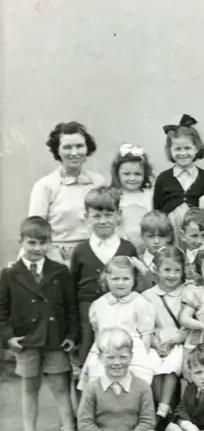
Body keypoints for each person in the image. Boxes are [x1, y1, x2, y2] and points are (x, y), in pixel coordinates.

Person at [1, 216, 78, 431]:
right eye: (31, 243)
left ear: (50, 243)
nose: (37, 249)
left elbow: (71, 307)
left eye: (43, 243)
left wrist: (71, 335)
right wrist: (8, 337)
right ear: (20, 241)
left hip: (54, 338)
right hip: (26, 340)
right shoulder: (9, 274)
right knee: (29, 387)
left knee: (59, 386)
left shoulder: (60, 271)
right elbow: (2, 310)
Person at [70, 327, 162, 431]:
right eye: (111, 357)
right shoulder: (92, 388)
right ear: (99, 358)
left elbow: (147, 421)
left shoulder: (142, 386)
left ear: (131, 356)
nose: (117, 363)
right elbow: (85, 423)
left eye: (123, 357)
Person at [70, 187, 139, 369]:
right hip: (87, 313)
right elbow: (73, 286)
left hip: (121, 310)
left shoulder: (127, 249)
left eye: (109, 215)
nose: (103, 221)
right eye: (97, 216)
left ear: (119, 215)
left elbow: (136, 282)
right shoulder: (80, 251)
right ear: (87, 216)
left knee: (119, 352)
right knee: (88, 356)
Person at [28, 121, 106, 265]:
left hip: (95, 254)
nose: (74, 153)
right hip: (58, 258)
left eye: (79, 146)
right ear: (57, 150)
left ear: (87, 147)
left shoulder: (98, 182)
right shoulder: (45, 186)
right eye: (67, 147)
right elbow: (34, 229)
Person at [77, 256, 158, 389]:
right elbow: (98, 334)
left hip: (132, 351)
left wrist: (144, 357)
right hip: (105, 350)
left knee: (132, 386)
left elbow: (146, 334)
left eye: (125, 278)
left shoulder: (140, 302)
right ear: (106, 279)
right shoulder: (99, 304)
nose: (120, 283)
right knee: (100, 384)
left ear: (133, 280)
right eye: (115, 279)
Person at [152, 115, 204, 245]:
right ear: (170, 151)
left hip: (198, 235)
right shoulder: (163, 178)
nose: (183, 153)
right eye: (177, 149)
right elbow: (157, 210)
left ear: (197, 148)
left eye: (187, 148)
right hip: (172, 234)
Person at [142, 247, 188, 423]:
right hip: (155, 342)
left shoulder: (187, 292)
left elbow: (189, 326)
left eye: (177, 270)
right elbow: (145, 327)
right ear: (156, 270)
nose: (172, 275)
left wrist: (173, 341)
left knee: (171, 365)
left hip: (179, 342)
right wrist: (154, 343)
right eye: (167, 270)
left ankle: (164, 412)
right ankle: (162, 411)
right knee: (152, 366)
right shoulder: (147, 296)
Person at [109, 143, 155, 251]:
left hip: (145, 247)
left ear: (145, 174)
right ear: (118, 174)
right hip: (119, 247)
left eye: (137, 174)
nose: (132, 178)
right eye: (126, 174)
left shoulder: (149, 195)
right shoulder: (114, 195)